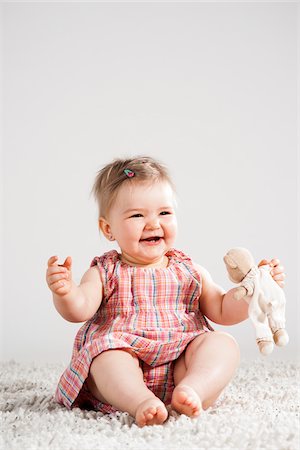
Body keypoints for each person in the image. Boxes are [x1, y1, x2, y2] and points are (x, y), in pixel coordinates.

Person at [46, 156, 286, 427]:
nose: (153, 223)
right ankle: (140, 402)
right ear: (108, 228)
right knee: (105, 358)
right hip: (124, 367)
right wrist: (65, 292)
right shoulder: (104, 271)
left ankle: (193, 389)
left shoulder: (189, 269)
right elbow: (80, 309)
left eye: (164, 213)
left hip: (180, 366)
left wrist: (253, 290)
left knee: (223, 345)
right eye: (137, 215)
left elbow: (222, 309)